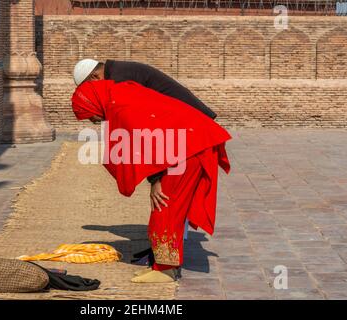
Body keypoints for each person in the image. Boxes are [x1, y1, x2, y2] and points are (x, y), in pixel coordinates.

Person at [71, 79, 231, 283]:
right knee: (169, 207)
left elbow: (148, 142)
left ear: (92, 103)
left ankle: (166, 269)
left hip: (189, 149)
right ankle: (162, 264)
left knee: (165, 207)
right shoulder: (120, 93)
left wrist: (156, 180)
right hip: (189, 144)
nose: (93, 121)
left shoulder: (120, 107)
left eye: (89, 115)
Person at [73, 58, 217, 215]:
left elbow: (143, 136)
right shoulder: (119, 72)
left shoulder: (120, 84)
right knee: (174, 206)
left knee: (166, 205)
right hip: (191, 130)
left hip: (190, 134)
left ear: (95, 78)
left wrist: (156, 180)